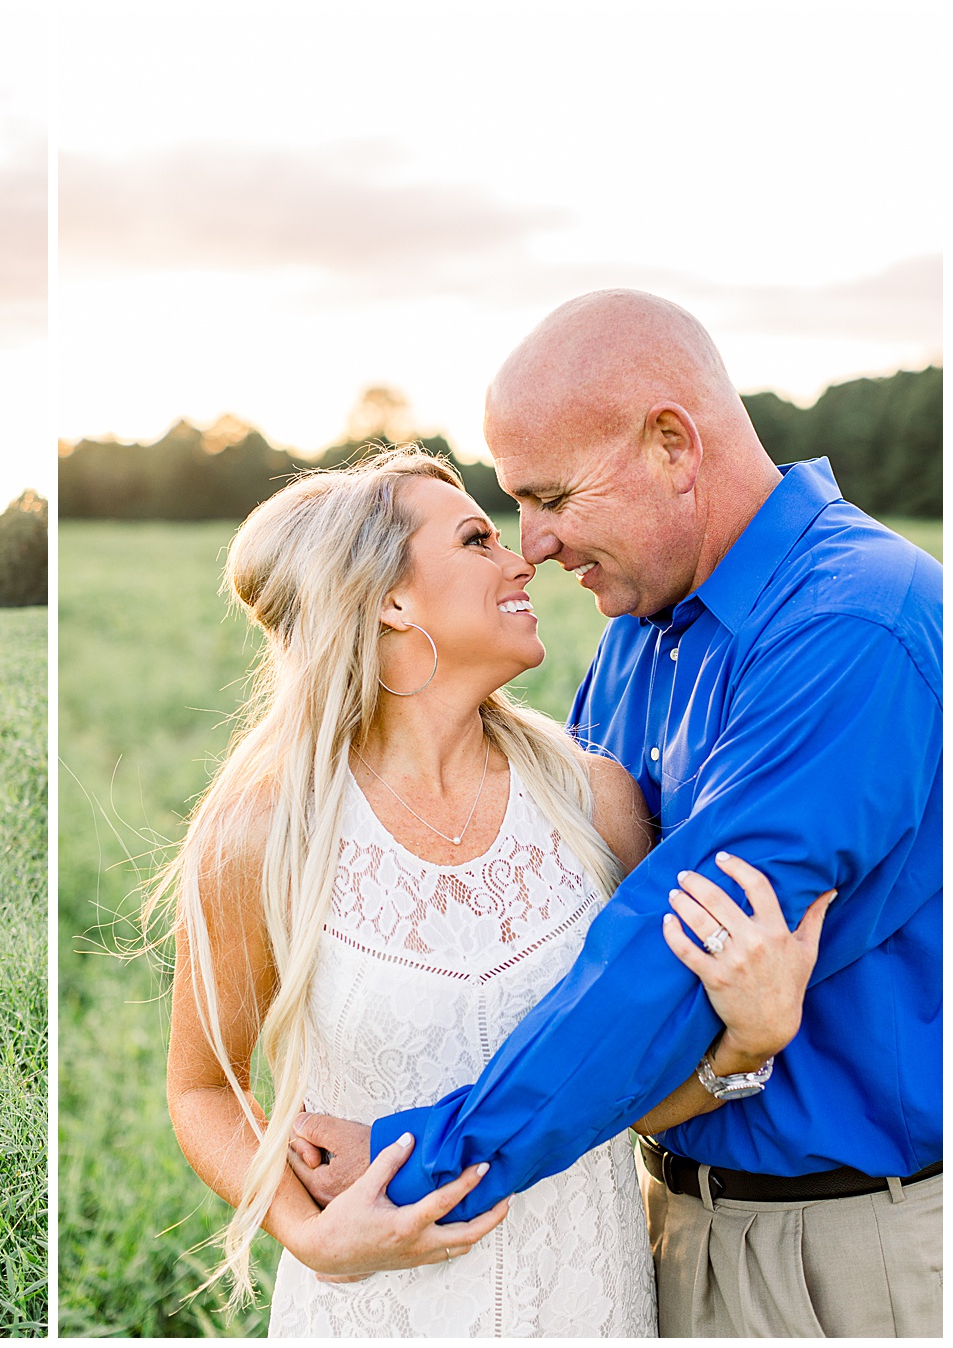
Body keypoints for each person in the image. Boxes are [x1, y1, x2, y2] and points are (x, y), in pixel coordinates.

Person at [293, 292, 941, 1337]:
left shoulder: (857, 621)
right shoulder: (642, 627)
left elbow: (666, 953)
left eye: (550, 496)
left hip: (846, 1249)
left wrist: (426, 1153)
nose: (532, 545)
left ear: (672, 445)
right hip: (652, 1226)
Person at [160, 448, 828, 1335]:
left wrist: (749, 1041)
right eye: (477, 539)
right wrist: (310, 1236)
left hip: (589, 1302)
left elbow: (618, 1094)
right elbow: (203, 1089)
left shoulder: (598, 801)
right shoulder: (266, 833)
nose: (524, 558)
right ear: (390, 599)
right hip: (375, 1312)